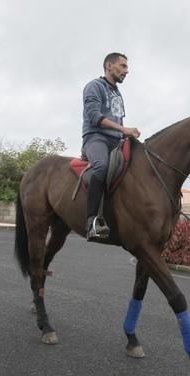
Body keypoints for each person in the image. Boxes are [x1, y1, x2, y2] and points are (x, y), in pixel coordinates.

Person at [82, 52, 140, 241]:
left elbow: (118, 121)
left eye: (127, 67)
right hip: (96, 138)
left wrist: (127, 134)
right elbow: (94, 117)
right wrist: (124, 129)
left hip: (116, 141)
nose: (127, 71)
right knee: (102, 166)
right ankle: (92, 222)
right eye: (123, 66)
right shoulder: (94, 86)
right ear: (109, 65)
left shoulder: (117, 93)